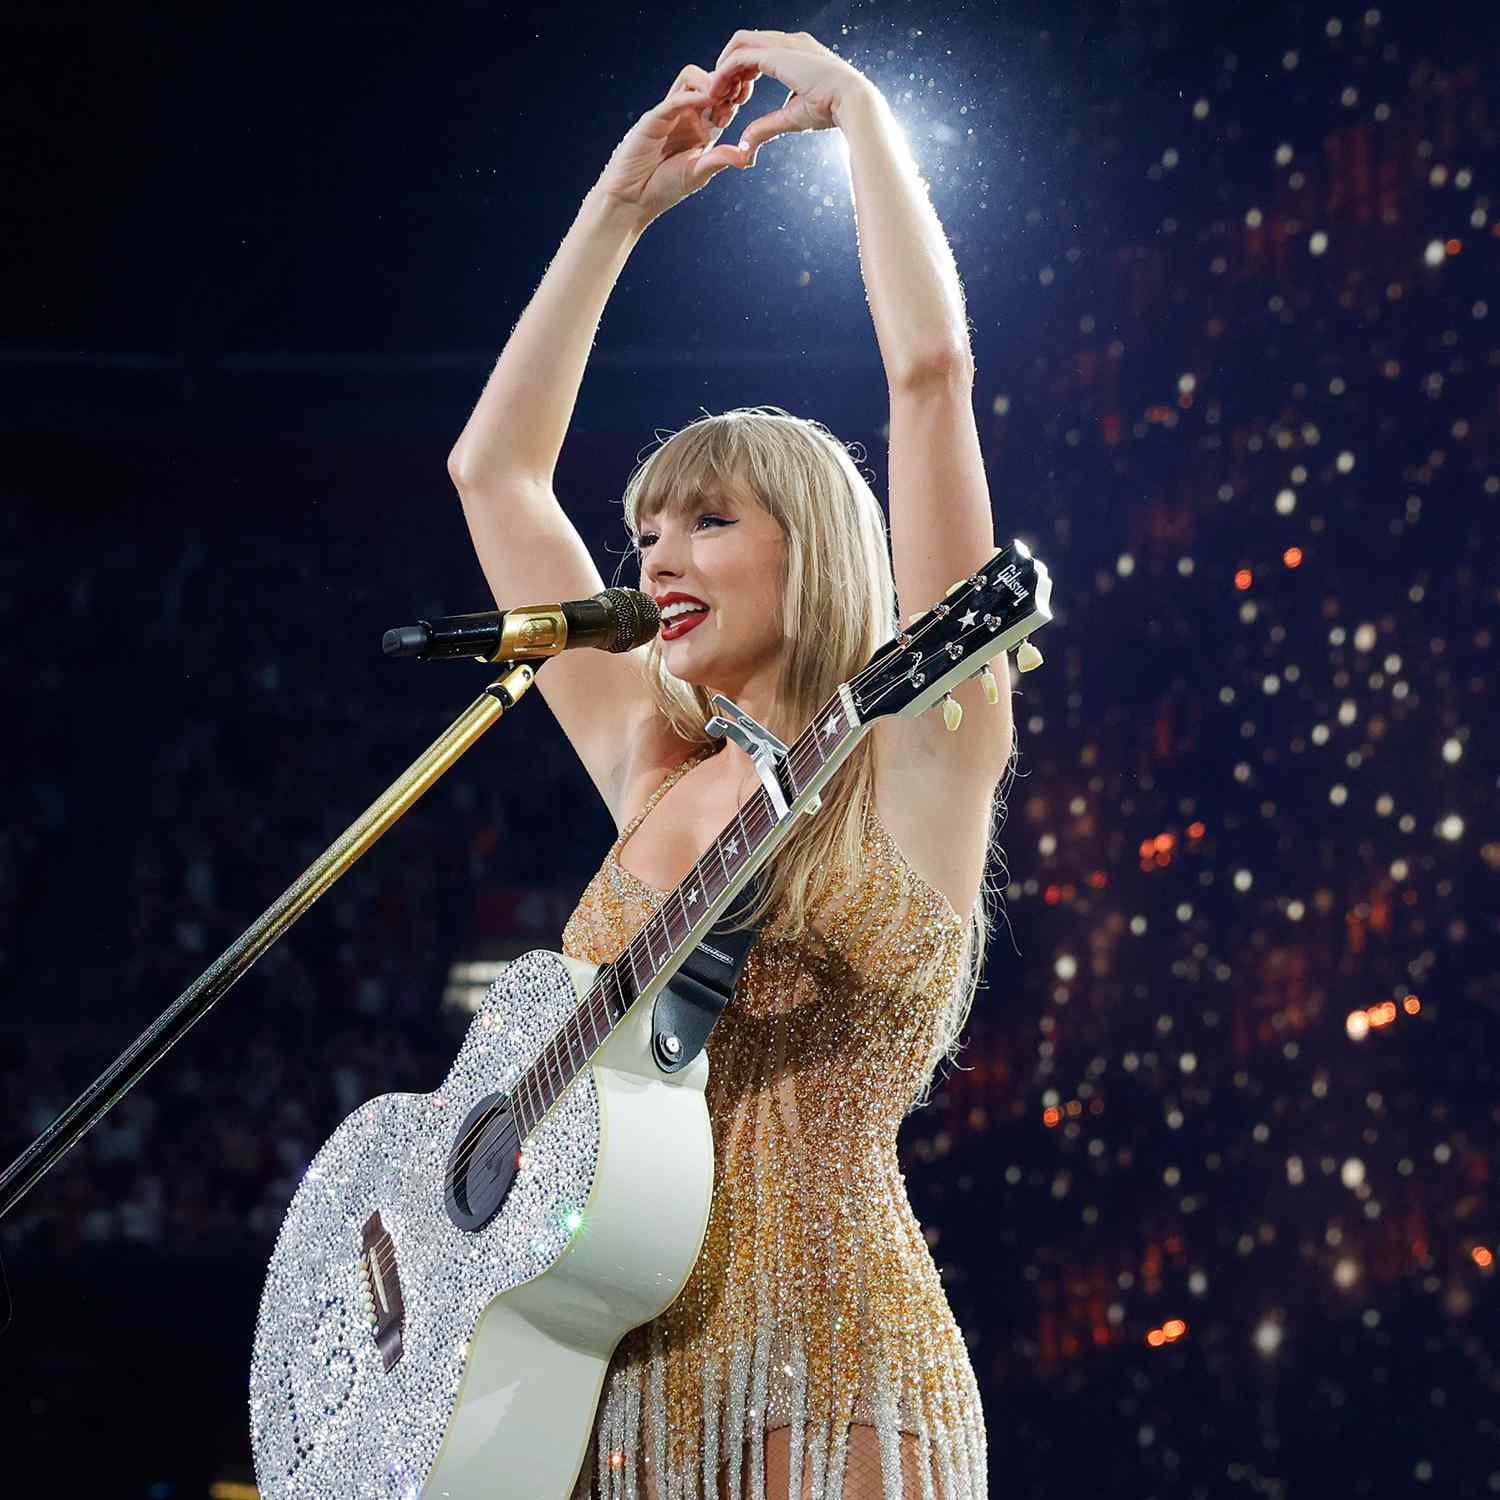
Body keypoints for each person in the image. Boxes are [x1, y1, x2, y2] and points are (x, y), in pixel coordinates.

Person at [447, 29, 1015, 1500]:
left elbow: (934, 377)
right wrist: (618, 209)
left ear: (809, 547)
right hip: (603, 1366)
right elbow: (494, 476)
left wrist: (870, 120)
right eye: (644, 529)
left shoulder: (916, 754)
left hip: (835, 1358)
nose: (655, 554)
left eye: (706, 520)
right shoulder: (650, 760)